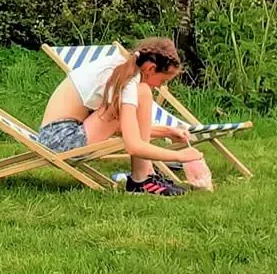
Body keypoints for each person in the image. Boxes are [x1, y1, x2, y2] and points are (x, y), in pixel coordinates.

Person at [36, 37, 213, 196]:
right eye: (163, 80)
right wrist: (181, 156)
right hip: (60, 140)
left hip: (61, 135)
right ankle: (142, 178)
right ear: (151, 68)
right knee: (143, 92)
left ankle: (144, 176)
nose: (161, 86)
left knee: (143, 92)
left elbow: (124, 129)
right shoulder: (127, 81)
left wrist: (166, 131)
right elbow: (133, 145)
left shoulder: (123, 68)